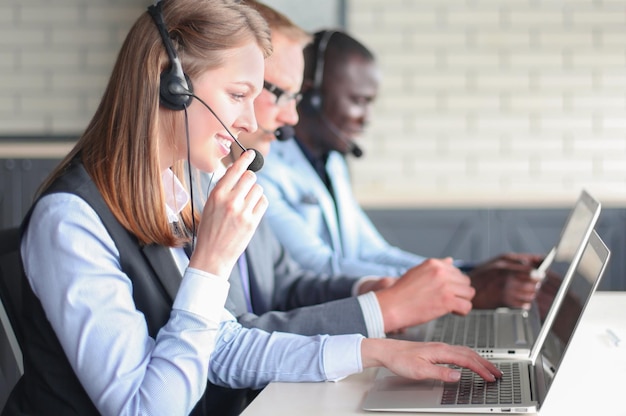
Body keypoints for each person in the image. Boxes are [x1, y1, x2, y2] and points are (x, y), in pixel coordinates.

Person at [2, 2, 501, 415]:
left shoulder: (179, 186)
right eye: (238, 95)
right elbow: (143, 408)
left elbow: (221, 345)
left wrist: (377, 351)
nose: (248, 120)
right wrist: (211, 264)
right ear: (171, 86)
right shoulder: (70, 220)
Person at [258, 29, 543, 310]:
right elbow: (319, 266)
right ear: (312, 96)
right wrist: (464, 284)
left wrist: (466, 270)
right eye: (358, 101)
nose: (366, 119)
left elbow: (372, 251)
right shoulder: (264, 166)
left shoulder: (331, 161)